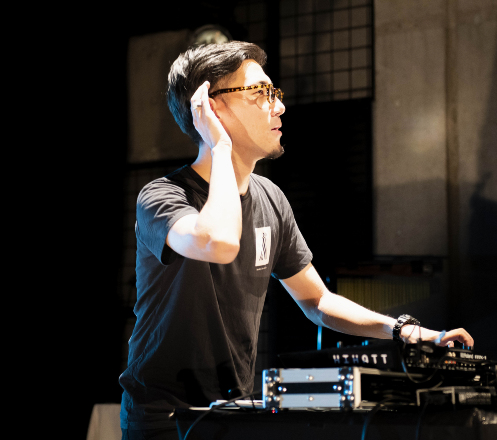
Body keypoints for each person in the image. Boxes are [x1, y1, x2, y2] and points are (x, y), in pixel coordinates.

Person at [119, 41, 473, 440]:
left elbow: (317, 301)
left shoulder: (271, 198)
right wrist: (220, 146)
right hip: (164, 418)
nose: (279, 106)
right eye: (261, 92)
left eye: (275, 92)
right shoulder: (162, 196)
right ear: (211, 107)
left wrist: (405, 331)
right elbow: (219, 242)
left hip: (233, 412)